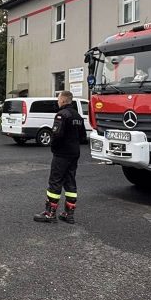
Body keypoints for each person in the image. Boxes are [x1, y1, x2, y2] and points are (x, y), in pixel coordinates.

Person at [34, 90, 88, 224]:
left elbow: (56, 135)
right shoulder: (78, 116)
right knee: (70, 182)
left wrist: (54, 148)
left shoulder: (61, 115)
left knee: (55, 181)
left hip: (62, 154)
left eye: (58, 99)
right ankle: (69, 214)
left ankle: (50, 213)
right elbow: (83, 137)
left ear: (63, 100)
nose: (58, 102)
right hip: (74, 153)